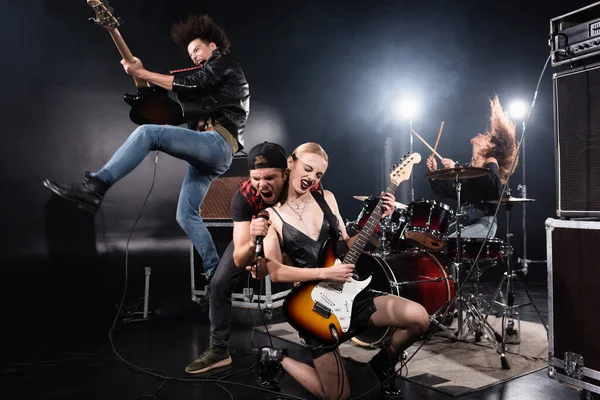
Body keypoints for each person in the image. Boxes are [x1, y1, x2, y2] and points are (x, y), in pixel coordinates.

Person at [43, 14, 250, 279]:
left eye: (197, 49)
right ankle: (215, 272)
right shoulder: (209, 86)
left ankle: (95, 187)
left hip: (217, 144)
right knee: (186, 216)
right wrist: (143, 83)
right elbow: (175, 109)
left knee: (146, 134)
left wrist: (143, 73)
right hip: (209, 154)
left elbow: (191, 83)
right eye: (190, 54)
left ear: (213, 45)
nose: (195, 56)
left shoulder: (224, 64)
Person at [261, 142, 430, 400]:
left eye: (318, 175)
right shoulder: (271, 216)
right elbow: (276, 272)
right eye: (307, 169)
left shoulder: (326, 198)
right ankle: (278, 358)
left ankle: (383, 363)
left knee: (419, 317)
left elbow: (347, 243)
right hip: (313, 306)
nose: (311, 179)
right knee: (338, 397)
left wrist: (378, 219)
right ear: (290, 163)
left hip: (350, 291)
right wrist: (325, 274)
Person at [183, 141, 289, 374]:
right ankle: (218, 350)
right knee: (219, 283)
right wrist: (253, 243)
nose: (262, 185)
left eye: (270, 178)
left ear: (285, 173)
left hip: (292, 231)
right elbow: (241, 256)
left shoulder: (301, 188)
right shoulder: (244, 197)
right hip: (257, 230)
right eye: (256, 178)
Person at [426, 96, 517, 238]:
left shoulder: (490, 161)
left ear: (490, 146)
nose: (480, 134)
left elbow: (493, 187)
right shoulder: (467, 167)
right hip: (464, 221)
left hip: (483, 222)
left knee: (450, 244)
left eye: (485, 136)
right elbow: (445, 190)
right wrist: (434, 173)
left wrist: (457, 167)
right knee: (434, 239)